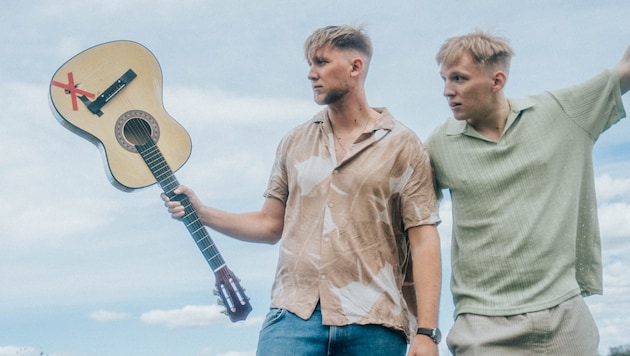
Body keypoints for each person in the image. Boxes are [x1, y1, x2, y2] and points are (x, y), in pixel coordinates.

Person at [162, 25, 442, 356]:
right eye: (310, 64)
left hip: (374, 321)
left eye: (321, 62)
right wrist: (202, 211)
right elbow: (269, 225)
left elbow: (423, 239)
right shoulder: (295, 142)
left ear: (355, 67)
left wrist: (426, 331)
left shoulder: (402, 145)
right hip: (294, 316)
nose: (311, 74)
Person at [425, 30, 630, 355]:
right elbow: (407, 216)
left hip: (565, 317)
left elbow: (626, 68)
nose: (448, 91)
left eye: (459, 79)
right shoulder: (439, 144)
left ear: (497, 80)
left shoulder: (561, 112)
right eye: (445, 80)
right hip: (483, 325)